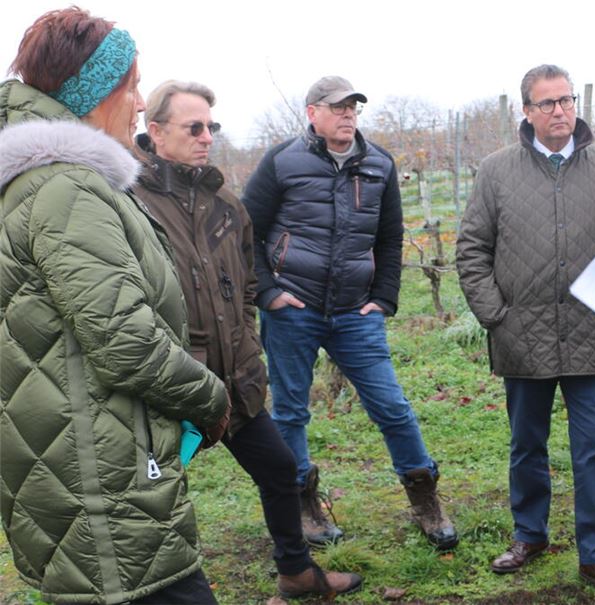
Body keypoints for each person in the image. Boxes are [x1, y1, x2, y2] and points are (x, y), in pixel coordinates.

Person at [0, 8, 230, 604]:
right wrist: (211, 396)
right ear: (94, 93)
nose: (137, 105)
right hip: (99, 477)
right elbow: (126, 342)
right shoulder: (65, 188)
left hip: (83, 458)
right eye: (131, 87)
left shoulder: (56, 183)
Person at [133, 80, 362, 600]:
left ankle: (297, 573)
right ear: (157, 131)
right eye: (193, 127)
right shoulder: (130, 202)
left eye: (211, 126)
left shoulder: (226, 205)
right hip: (169, 383)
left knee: (280, 468)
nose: (206, 137)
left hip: (233, 377)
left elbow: (246, 284)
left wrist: (246, 349)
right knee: (156, 497)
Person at [242, 75, 457, 551]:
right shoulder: (282, 161)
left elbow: (390, 236)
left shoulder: (378, 164)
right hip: (293, 307)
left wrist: (383, 298)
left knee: (392, 406)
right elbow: (246, 230)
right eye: (337, 107)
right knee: (292, 412)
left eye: (353, 108)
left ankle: (424, 497)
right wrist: (269, 293)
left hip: (355, 313)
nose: (347, 115)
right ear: (312, 113)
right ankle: (302, 504)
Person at [456, 64, 595, 601]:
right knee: (526, 445)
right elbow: (471, 250)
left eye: (566, 101)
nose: (560, 111)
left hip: (590, 335)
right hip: (523, 336)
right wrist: (497, 316)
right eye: (547, 103)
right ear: (527, 112)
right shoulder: (496, 171)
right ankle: (530, 535)